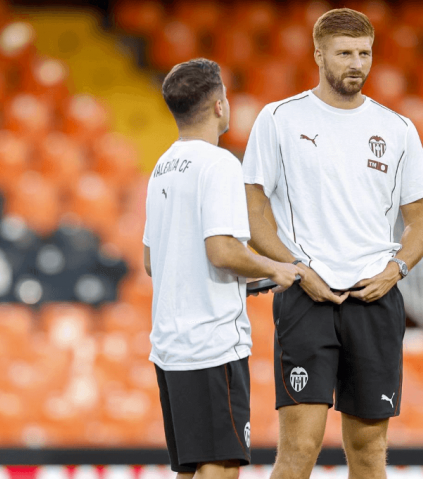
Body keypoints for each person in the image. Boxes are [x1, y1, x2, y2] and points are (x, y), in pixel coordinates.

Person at [242, 8, 423, 479]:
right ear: (318, 54)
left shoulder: (398, 129)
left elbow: (421, 222)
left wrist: (397, 270)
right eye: (344, 53)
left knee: (369, 451)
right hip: (306, 297)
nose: (356, 63)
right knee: (299, 449)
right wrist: (294, 268)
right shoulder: (279, 119)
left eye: (364, 53)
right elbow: (252, 209)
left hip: (376, 298)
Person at [142, 58, 301, 479]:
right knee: (223, 465)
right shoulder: (220, 164)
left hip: (170, 343)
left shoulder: (162, 167)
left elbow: (150, 260)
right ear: (218, 105)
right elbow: (221, 250)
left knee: (191, 468)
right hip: (211, 343)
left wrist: (246, 280)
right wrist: (276, 268)